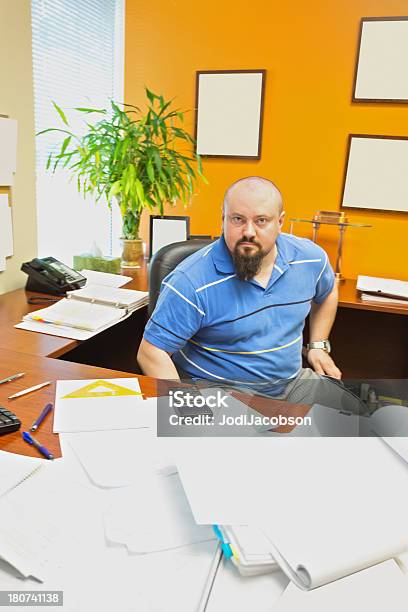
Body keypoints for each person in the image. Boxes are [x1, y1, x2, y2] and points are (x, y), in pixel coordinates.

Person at [138, 176, 351, 406]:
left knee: (362, 424)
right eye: (238, 219)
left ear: (280, 222)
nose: (249, 232)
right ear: (223, 219)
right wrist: (190, 408)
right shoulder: (190, 280)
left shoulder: (310, 258)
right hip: (224, 394)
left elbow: (328, 292)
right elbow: (151, 353)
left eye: (261, 221)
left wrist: (317, 346)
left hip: (293, 384)